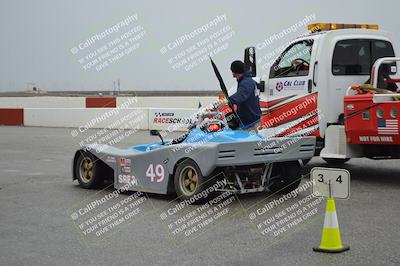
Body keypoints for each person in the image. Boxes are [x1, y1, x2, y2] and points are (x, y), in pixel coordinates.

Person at [227, 60, 261, 132]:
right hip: (250, 121)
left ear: (236, 72)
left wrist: (229, 100)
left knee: (250, 142)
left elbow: (241, 96)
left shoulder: (246, 82)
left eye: (233, 72)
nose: (232, 75)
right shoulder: (248, 80)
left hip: (252, 123)